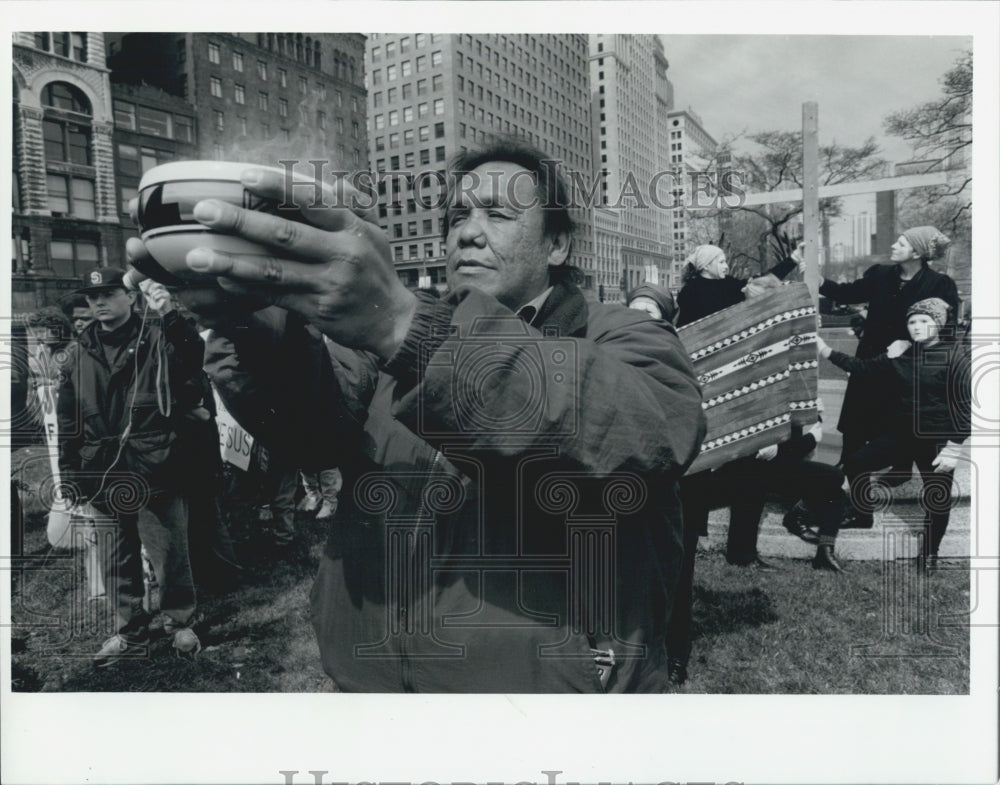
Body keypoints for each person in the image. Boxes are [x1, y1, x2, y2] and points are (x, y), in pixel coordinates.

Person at [129, 139, 706, 692]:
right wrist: (252, 321)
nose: (468, 234)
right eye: (456, 216)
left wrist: (412, 330)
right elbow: (312, 435)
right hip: (375, 688)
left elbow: (642, 440)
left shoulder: (623, 334)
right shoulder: (391, 352)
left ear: (556, 246)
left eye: (498, 214)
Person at [57, 267, 206, 666]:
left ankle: (180, 622)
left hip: (155, 464)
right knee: (115, 558)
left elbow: (193, 358)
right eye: (92, 297)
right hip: (100, 471)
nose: (99, 302)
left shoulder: (157, 334)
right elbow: (67, 417)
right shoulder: (77, 352)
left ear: (130, 297)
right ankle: (131, 631)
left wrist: (170, 315)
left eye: (108, 293)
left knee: (170, 553)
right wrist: (69, 474)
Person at [816, 298, 970, 567]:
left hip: (936, 441)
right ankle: (863, 513)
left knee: (937, 498)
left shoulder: (954, 356)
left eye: (925, 321)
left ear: (939, 324)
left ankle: (930, 554)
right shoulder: (902, 354)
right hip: (900, 436)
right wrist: (824, 349)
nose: (917, 327)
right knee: (856, 463)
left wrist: (954, 447)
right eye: (912, 322)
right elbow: (861, 368)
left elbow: (965, 405)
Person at [818, 226, 959, 465]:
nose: (894, 246)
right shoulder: (880, 274)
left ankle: (899, 470)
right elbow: (848, 293)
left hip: (906, 367)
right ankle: (845, 470)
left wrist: (910, 343)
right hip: (870, 359)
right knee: (856, 420)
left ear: (917, 253)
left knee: (895, 422)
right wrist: (819, 280)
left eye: (901, 244)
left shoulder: (939, 284)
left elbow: (947, 329)